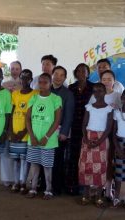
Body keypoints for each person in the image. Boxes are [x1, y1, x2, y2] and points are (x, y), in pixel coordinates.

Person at [25, 73, 62, 199]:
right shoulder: (34, 98)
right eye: (40, 82)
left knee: (47, 166)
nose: (42, 85)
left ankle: (48, 190)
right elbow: (27, 119)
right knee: (34, 164)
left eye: (45, 82)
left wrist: (46, 137)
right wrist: (32, 136)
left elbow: (57, 121)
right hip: (33, 139)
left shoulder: (56, 99)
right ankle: (33, 188)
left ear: (50, 83)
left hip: (49, 141)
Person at [79, 83, 113, 207]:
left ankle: (99, 195)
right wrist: (86, 139)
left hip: (102, 140)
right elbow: (84, 124)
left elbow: (108, 128)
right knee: (86, 167)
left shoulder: (109, 108)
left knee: (100, 168)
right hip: (88, 138)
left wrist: (100, 141)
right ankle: (86, 194)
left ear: (105, 92)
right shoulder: (89, 107)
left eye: (100, 90)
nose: (97, 93)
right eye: (95, 91)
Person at [89, 69, 121, 201]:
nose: (106, 82)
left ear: (114, 81)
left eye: (109, 79)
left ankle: (108, 189)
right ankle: (97, 187)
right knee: (97, 161)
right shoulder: (95, 95)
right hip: (97, 132)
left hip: (112, 133)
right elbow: (90, 112)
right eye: (104, 79)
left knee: (109, 161)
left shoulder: (118, 96)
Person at [9, 69, 38, 193]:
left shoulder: (35, 94)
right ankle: (16, 182)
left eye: (27, 78)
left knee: (25, 160)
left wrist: (24, 131)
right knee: (15, 159)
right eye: (22, 77)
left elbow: (34, 116)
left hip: (26, 134)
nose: (24, 80)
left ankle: (23, 183)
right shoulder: (15, 94)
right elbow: (11, 113)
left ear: (31, 80)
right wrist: (11, 131)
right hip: (14, 133)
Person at [67, 63, 94, 195]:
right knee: (73, 155)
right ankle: (72, 184)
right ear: (75, 73)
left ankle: (84, 185)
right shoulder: (71, 88)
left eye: (84, 71)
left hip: (87, 126)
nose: (81, 73)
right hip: (73, 125)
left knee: (85, 156)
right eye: (78, 71)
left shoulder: (93, 87)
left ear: (88, 73)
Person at [50, 66, 74, 195]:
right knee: (45, 160)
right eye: (56, 74)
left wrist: (64, 132)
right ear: (52, 75)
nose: (58, 77)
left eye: (61, 75)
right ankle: (44, 185)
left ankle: (56, 187)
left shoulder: (68, 94)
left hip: (60, 132)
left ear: (65, 78)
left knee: (58, 160)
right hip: (44, 131)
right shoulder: (45, 90)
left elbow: (69, 115)